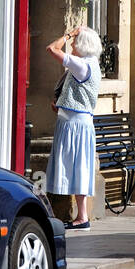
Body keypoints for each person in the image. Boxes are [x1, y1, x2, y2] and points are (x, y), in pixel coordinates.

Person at [45, 24, 102, 229]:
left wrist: (68, 33)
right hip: (77, 122)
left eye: (75, 43)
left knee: (71, 167)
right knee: (78, 167)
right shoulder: (91, 64)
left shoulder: (82, 65)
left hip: (75, 126)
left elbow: (52, 48)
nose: (72, 45)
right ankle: (82, 217)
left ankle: (78, 217)